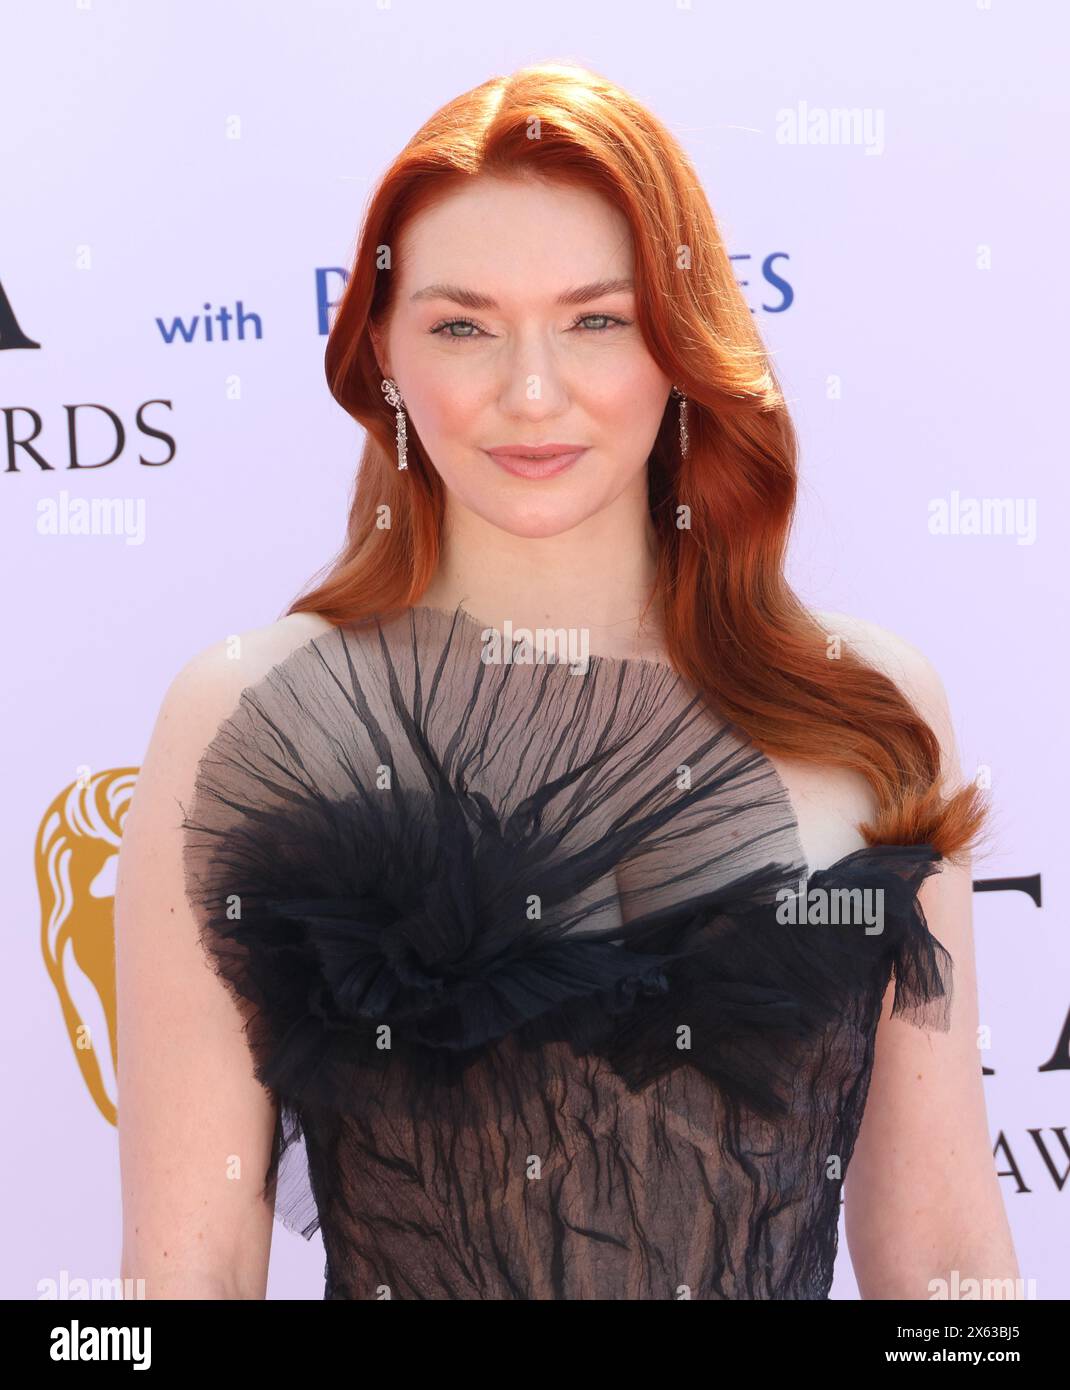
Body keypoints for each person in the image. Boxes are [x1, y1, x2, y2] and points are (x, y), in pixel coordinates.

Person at [115, 62, 1018, 1299]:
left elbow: (946, 1265)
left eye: (595, 318)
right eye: (461, 325)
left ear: (679, 338)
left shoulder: (862, 711)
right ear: (378, 350)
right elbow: (187, 1282)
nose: (529, 392)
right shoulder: (248, 720)